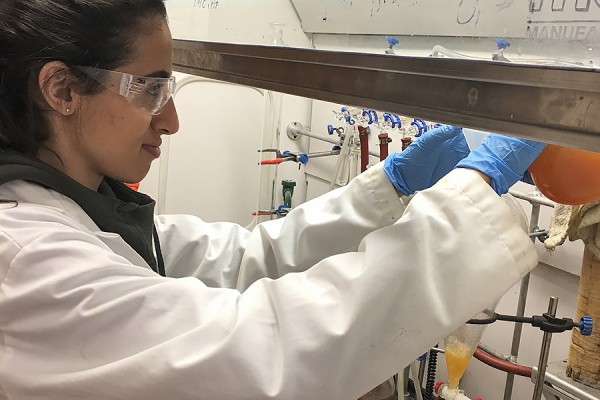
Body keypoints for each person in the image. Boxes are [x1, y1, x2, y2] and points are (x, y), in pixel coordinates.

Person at [0, 1, 546, 399]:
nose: (171, 119)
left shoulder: (89, 214)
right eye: (150, 88)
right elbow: (263, 353)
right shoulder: (29, 261)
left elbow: (243, 259)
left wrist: (390, 189)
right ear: (62, 90)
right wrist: (473, 191)